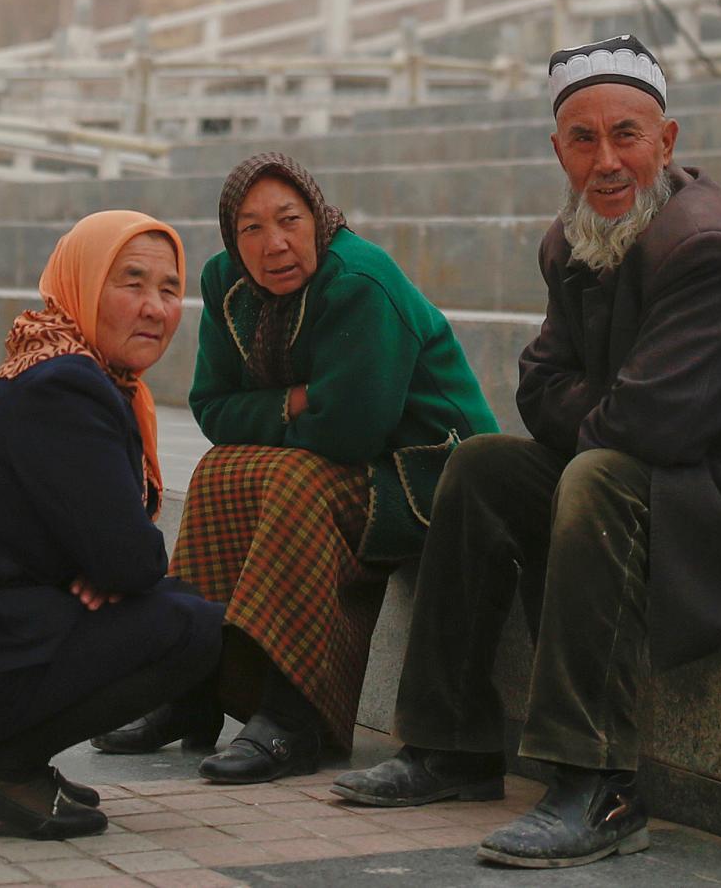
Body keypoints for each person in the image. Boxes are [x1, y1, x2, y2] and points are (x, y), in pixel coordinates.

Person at [333, 36, 721, 868]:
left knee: (596, 475)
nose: (607, 160)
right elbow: (539, 385)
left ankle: (600, 783)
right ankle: (450, 746)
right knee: (484, 465)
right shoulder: (572, 239)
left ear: (666, 142)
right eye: (583, 139)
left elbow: (651, 426)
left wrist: (599, 412)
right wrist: (607, 409)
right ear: (557, 149)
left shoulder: (709, 242)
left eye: (626, 134)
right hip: (676, 472)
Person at [93, 151, 497, 784]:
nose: (273, 244)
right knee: (218, 471)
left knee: (296, 477)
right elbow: (211, 407)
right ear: (232, 236)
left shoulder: (360, 280)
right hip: (344, 459)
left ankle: (293, 713)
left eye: (289, 219)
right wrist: (298, 399)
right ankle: (190, 687)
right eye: (251, 228)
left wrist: (289, 413)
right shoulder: (224, 282)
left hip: (430, 476)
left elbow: (349, 431)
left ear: (319, 218)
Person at [0, 210, 217, 841]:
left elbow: (118, 557)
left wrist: (108, 567)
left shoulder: (65, 368)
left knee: (178, 604)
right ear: (82, 283)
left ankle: (4, 755)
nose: (153, 307)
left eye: (169, 289)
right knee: (191, 630)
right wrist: (108, 569)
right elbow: (132, 561)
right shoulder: (66, 386)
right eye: (131, 282)